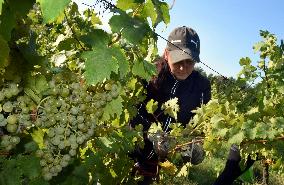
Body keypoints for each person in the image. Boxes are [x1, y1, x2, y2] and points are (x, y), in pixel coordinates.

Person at [129, 26, 249, 185]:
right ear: (166, 54)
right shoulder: (148, 72)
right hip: (130, 151)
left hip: (155, 165)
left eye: (190, 61)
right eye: (178, 60)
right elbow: (129, 113)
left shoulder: (202, 86)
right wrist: (151, 133)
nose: (183, 67)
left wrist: (196, 146)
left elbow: (199, 126)